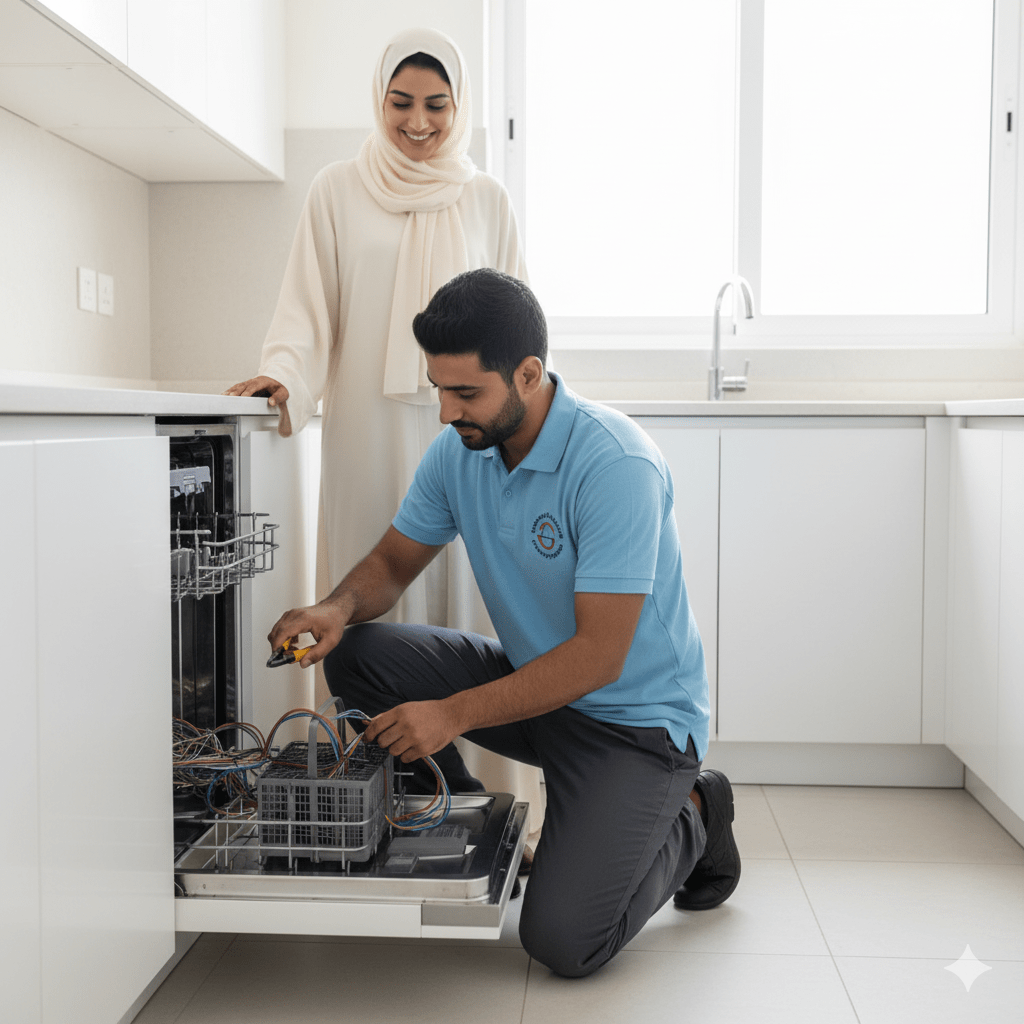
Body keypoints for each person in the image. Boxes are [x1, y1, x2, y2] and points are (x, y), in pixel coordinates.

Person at [267, 269, 742, 978]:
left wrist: (452, 714)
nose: (445, 412)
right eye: (439, 390)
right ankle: (458, 814)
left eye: (465, 394)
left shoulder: (615, 465)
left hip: (636, 728)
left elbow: (598, 659)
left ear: (528, 374)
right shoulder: (461, 453)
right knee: (361, 653)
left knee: (561, 940)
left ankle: (698, 810)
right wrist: (334, 609)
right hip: (539, 691)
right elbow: (395, 563)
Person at [224, 27, 525, 635]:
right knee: (367, 572)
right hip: (365, 425)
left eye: (436, 105)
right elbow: (309, 304)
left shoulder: (487, 198)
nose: (418, 121)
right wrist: (283, 373)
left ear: (458, 108)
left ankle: (461, 730)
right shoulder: (337, 188)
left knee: (465, 574)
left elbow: (519, 326)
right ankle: (362, 731)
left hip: (470, 430)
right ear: (379, 101)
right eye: (401, 102)